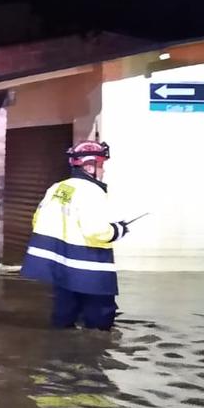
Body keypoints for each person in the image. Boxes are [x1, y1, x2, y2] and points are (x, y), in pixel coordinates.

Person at [20, 140, 131, 331]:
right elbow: (96, 231)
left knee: (64, 316)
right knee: (100, 320)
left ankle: (61, 346)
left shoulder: (57, 188)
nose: (103, 170)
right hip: (90, 268)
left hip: (62, 268)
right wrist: (117, 230)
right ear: (90, 166)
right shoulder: (92, 191)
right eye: (101, 165)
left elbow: (37, 220)